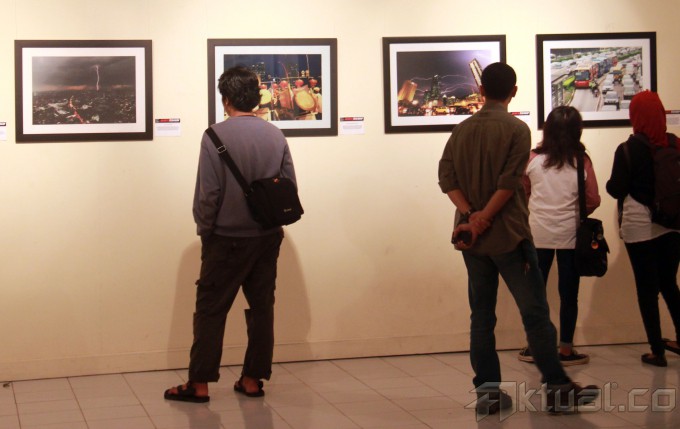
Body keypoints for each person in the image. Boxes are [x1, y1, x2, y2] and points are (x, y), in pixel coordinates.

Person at [438, 62, 598, 415]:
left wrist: (471, 215)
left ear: (481, 91)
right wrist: (484, 218)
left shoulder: (461, 130)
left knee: (481, 316)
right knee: (535, 313)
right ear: (513, 91)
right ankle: (557, 388)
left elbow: (446, 179)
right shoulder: (516, 129)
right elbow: (509, 183)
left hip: (471, 239)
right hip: (509, 236)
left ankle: (488, 393)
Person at [164, 65, 298, 402]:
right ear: (256, 98)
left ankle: (199, 384)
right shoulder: (275, 135)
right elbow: (289, 186)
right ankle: (252, 379)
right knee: (262, 308)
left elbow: (208, 194)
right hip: (267, 237)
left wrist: (205, 229)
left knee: (210, 310)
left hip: (226, 238)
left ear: (225, 100)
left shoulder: (214, 136)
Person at [518, 106, 601, 366]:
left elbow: (523, 192)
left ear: (548, 129)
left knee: (536, 294)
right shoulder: (582, 161)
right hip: (570, 236)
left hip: (537, 233)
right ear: (578, 131)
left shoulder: (533, 159)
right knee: (569, 295)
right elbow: (593, 199)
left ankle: (535, 347)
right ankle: (566, 350)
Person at [606, 91, 680, 367]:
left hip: (639, 226)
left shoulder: (628, 149)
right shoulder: (675, 144)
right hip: (671, 224)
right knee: (669, 284)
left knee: (647, 289)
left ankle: (656, 351)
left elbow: (616, 189)